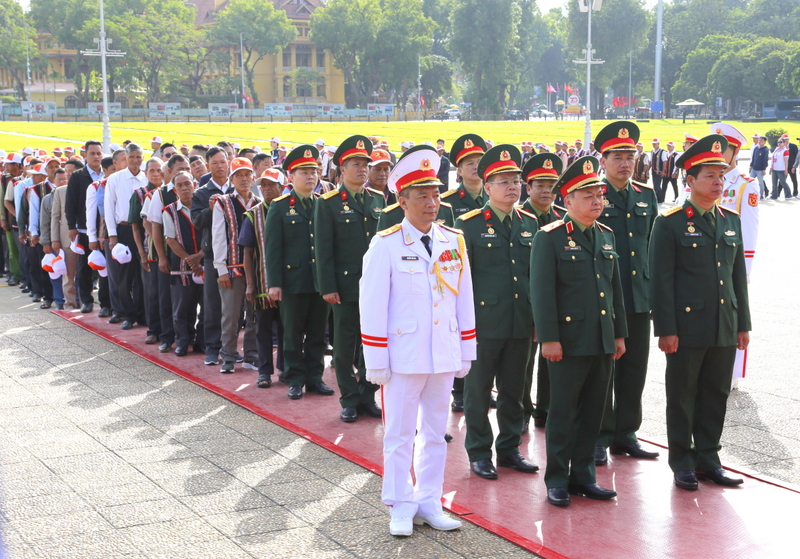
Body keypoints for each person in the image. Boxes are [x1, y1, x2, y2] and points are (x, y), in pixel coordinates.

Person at [360, 147, 476, 537]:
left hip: (443, 352)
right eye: (422, 195)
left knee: (435, 434)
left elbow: (464, 298)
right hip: (403, 356)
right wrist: (376, 359)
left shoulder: (452, 240)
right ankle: (399, 504)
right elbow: (372, 304)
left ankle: (429, 501)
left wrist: (466, 349)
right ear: (402, 200)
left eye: (436, 194)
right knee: (398, 435)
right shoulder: (386, 244)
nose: (432, 203)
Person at [649, 134, 751, 490]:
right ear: (689, 180)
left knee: (715, 394)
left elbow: (738, 277)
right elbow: (660, 281)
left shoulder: (730, 219)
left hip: (724, 324)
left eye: (721, 176)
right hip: (686, 326)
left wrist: (743, 324)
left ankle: (709, 458)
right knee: (682, 395)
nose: (718, 182)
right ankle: (682, 462)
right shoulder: (670, 222)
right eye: (709, 176)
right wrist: (666, 329)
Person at [530, 155, 627, 507]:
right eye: (588, 196)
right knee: (562, 411)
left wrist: (618, 334)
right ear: (567, 201)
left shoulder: (606, 236)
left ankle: (584, 477)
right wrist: (550, 338)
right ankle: (557, 478)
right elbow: (541, 293)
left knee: (592, 413)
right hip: (568, 343)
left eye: (599, 195)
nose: (597, 201)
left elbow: (613, 290)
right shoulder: (550, 237)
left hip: (601, 339)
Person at [456, 144, 540, 480]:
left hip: (521, 322)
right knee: (477, 393)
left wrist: (538, 322)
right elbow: (461, 281)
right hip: (483, 325)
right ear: (487, 187)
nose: (512, 187)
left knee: (514, 393)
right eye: (503, 181)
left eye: (516, 180)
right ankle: (479, 453)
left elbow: (536, 278)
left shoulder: (530, 223)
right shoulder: (469, 224)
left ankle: (508, 450)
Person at [593, 121, 660, 466]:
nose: (625, 163)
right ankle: (600, 435)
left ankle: (626, 433)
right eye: (617, 156)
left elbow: (652, 248)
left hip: (637, 297)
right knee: (605, 369)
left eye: (630, 156)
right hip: (603, 299)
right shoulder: (593, 196)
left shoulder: (646, 195)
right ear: (602, 160)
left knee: (634, 369)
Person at [315, 135, 386, 422]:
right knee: (344, 346)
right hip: (344, 287)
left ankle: (367, 395)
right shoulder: (329, 203)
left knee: (372, 343)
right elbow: (323, 249)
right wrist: (328, 287)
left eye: (365, 164)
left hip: (376, 286)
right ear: (341, 169)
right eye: (355, 164)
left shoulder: (379, 200)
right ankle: (349, 399)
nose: (362, 169)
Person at [265, 146, 333, 398]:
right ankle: (294, 378)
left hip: (320, 282)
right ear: (291, 177)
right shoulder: (280, 207)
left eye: (314, 172)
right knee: (292, 333)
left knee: (317, 333)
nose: (311, 177)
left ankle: (315, 377)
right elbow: (272, 249)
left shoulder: (324, 204)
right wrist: (274, 283)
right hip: (292, 281)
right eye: (304, 172)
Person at [518, 153, 565, 430]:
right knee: (523, 364)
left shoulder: (561, 218)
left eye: (551, 186)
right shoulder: (520, 217)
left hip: (555, 304)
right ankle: (523, 411)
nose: (547, 191)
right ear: (529, 188)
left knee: (552, 361)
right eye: (540, 186)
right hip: (524, 303)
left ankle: (545, 410)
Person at [711, 122, 760, 388]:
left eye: (723, 148)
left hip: (732, 263)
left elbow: (750, 228)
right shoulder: (705, 177)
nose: (717, 152)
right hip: (707, 261)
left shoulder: (745, 185)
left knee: (734, 313)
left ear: (735, 151)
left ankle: (732, 372)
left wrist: (746, 268)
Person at [239, 168, 287, 388]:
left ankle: (286, 369)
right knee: (263, 330)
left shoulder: (290, 210)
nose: (267, 189)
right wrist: (250, 284)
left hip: (289, 284)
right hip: (262, 283)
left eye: (272, 185)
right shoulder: (253, 214)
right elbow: (247, 252)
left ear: (282, 187)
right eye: (264, 185)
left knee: (289, 329)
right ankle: (265, 371)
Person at [212, 157, 260, 374]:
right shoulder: (223, 202)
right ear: (231, 179)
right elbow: (218, 237)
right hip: (232, 269)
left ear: (253, 177)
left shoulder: (259, 202)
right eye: (239, 175)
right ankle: (229, 357)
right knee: (231, 316)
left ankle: (252, 355)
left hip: (257, 271)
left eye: (247, 174)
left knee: (254, 315)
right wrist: (221, 268)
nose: (244, 179)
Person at [191, 146, 232, 366]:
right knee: (212, 304)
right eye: (214, 163)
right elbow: (197, 222)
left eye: (222, 162)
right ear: (207, 166)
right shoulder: (201, 192)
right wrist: (210, 209)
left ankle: (231, 348)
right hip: (213, 255)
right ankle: (212, 348)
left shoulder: (238, 187)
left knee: (235, 306)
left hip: (237, 253)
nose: (219, 166)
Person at [105, 143, 147, 330]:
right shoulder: (115, 178)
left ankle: (141, 312)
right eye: (132, 157)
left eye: (139, 157)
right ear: (125, 158)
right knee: (124, 275)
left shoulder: (147, 177)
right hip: (123, 230)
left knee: (142, 274)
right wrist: (112, 235)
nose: (136, 161)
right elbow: (108, 208)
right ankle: (127, 314)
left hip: (145, 230)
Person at [162, 171, 204, 357]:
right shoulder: (169, 210)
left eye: (188, 183)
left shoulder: (204, 206)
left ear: (194, 184)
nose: (185, 188)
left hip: (206, 263)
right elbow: (171, 240)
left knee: (206, 306)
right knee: (181, 307)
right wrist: (190, 260)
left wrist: (201, 256)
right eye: (180, 185)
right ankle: (182, 341)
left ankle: (201, 342)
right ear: (175, 189)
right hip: (180, 266)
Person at [130, 158, 165, 345]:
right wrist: (142, 254)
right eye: (152, 170)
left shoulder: (169, 191)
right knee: (151, 292)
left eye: (159, 170)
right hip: (149, 249)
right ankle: (153, 329)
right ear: (146, 172)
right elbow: (136, 227)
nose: (156, 174)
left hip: (169, 250)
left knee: (168, 292)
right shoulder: (139, 194)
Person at [378, 146, 455, 231]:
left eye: (436, 195)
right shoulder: (390, 216)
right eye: (423, 197)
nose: (432, 204)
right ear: (403, 202)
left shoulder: (446, 212)